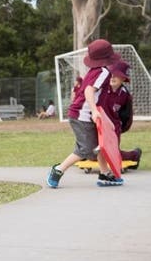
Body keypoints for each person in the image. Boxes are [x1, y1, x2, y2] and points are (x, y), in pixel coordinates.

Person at [46, 38, 122, 187]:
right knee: (86, 149)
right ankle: (58, 170)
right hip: (82, 115)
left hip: (88, 114)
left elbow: (99, 101)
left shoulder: (96, 71)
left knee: (102, 144)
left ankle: (104, 174)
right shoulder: (103, 73)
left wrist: (107, 121)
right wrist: (93, 111)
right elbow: (88, 91)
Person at [103, 60, 142, 169]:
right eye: (111, 74)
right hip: (99, 126)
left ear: (123, 78)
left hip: (114, 128)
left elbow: (127, 115)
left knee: (111, 154)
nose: (113, 77)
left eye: (117, 75)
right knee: (94, 154)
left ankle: (134, 155)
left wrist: (121, 128)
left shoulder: (125, 95)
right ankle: (86, 154)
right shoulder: (102, 89)